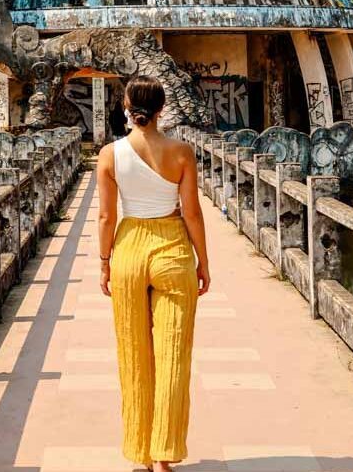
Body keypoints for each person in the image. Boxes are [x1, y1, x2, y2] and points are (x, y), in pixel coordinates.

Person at [96, 75, 211, 472]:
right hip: (172, 249)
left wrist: (103, 262)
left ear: (127, 109)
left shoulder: (110, 154)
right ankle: (164, 455)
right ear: (163, 108)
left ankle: (140, 452)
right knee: (174, 355)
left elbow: (107, 215)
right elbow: (192, 213)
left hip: (128, 250)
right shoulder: (182, 152)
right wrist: (204, 262)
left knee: (133, 355)